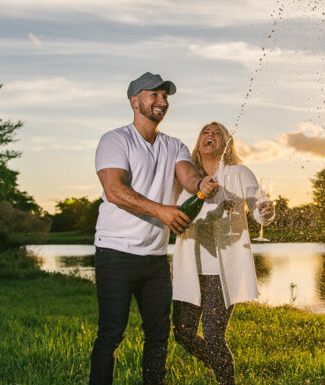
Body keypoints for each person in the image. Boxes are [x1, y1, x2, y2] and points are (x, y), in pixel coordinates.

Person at [90, 72, 219, 385]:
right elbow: (114, 190)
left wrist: (201, 183)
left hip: (156, 259)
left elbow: (187, 178)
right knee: (111, 335)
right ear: (135, 101)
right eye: (154, 95)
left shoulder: (173, 146)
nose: (162, 102)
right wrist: (161, 211)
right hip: (116, 252)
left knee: (159, 336)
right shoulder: (115, 140)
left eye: (165, 97)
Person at [170, 122, 274, 385]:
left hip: (223, 269)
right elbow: (173, 211)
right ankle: (221, 366)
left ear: (227, 143)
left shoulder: (240, 173)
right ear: (198, 142)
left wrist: (266, 213)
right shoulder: (185, 175)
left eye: (217, 133)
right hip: (189, 265)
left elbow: (258, 208)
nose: (211, 135)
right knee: (182, 333)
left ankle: (226, 379)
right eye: (206, 132)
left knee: (215, 336)